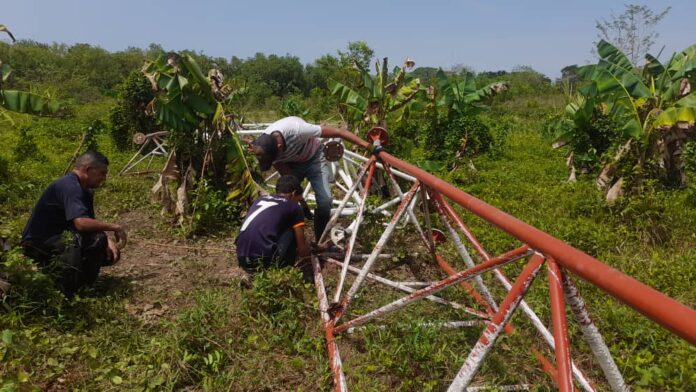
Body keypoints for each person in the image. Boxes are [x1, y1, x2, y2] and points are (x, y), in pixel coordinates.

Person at [20, 151, 128, 296]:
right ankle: (68, 293)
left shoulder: (85, 191)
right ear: (88, 170)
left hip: (57, 238)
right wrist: (115, 227)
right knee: (77, 242)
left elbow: (89, 221)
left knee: (100, 242)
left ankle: (84, 286)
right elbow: (81, 224)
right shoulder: (71, 187)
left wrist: (107, 239)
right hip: (38, 243)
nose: (104, 178)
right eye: (102, 173)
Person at [248, 116, 367, 241]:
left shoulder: (297, 130)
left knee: (325, 201)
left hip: (314, 158)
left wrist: (367, 146)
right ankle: (287, 239)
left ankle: (319, 239)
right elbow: (286, 174)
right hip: (291, 164)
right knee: (284, 200)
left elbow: (339, 132)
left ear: (279, 146)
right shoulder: (266, 144)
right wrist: (300, 200)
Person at [235, 175, 311, 282]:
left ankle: (253, 273)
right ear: (293, 194)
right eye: (298, 200)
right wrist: (310, 250)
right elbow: (302, 251)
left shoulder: (260, 199)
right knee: (293, 228)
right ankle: (284, 271)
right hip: (265, 260)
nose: (297, 202)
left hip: (242, 257)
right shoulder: (294, 207)